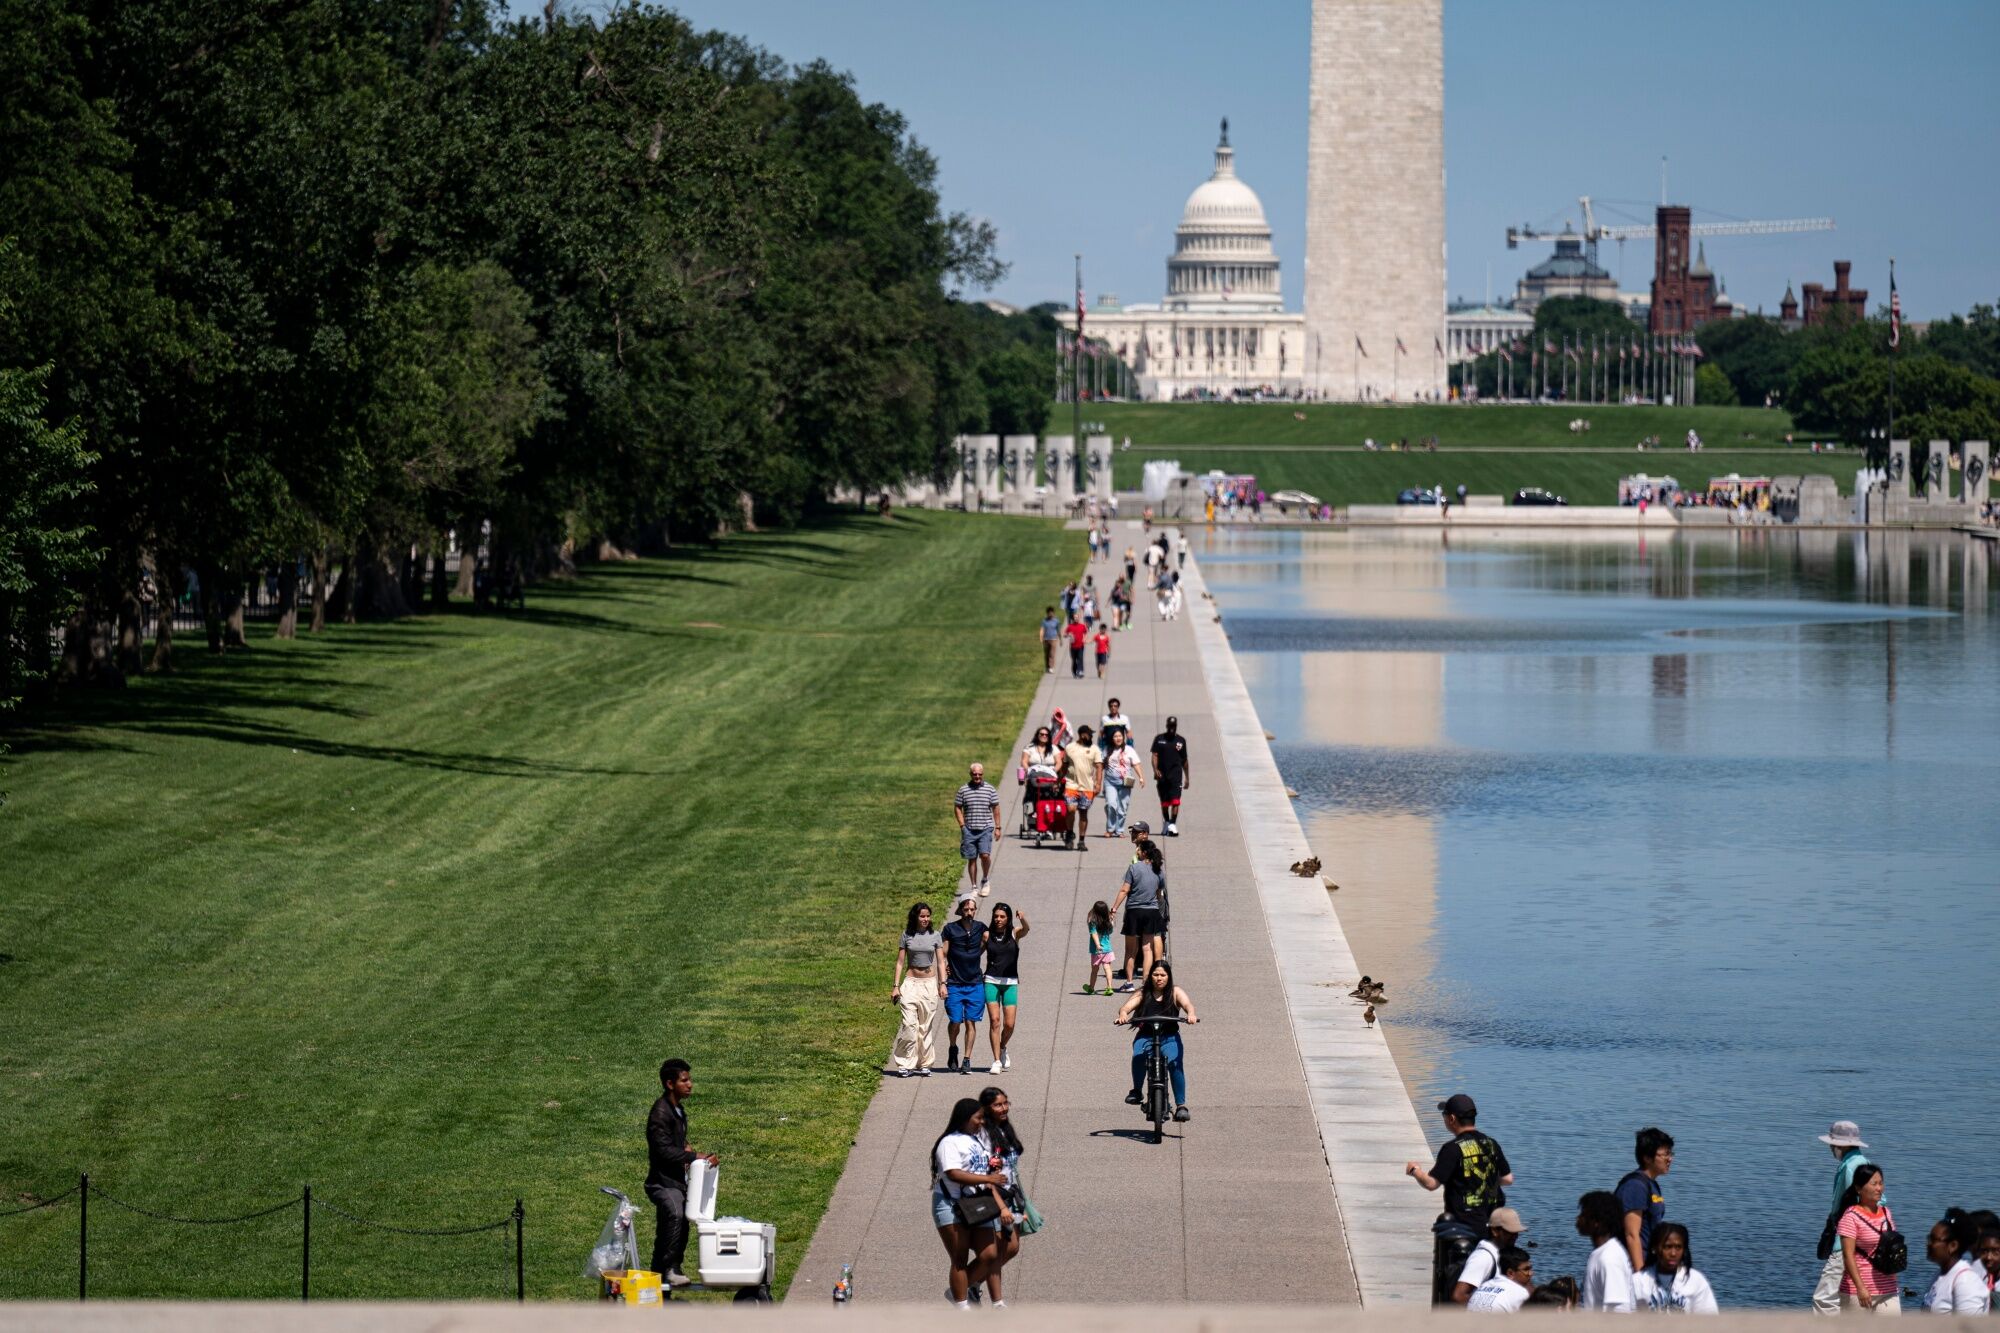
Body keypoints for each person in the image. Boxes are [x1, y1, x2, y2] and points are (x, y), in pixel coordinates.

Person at [932, 1097, 1011, 1308]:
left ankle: (958, 1290)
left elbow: (977, 1167)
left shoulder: (976, 1140)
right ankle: (962, 1306)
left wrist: (992, 1167)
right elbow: (954, 1173)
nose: (982, 1122)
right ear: (966, 1118)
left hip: (977, 1203)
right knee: (959, 1257)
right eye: (978, 1118)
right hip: (951, 1204)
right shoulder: (950, 1142)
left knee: (990, 1254)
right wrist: (988, 1179)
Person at [645, 1058, 718, 1287]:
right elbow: (663, 1150)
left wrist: (685, 1145)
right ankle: (669, 1270)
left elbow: (674, 1142)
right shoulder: (660, 1112)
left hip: (676, 1181)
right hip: (661, 1183)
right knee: (675, 1213)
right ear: (669, 1084)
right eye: (684, 1080)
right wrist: (694, 1156)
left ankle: (662, 1273)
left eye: (689, 1080)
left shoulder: (677, 1110)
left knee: (681, 1220)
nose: (690, 1084)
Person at [1404, 1093, 1514, 1230]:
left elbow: (1431, 1183)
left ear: (1452, 1119)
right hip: (1492, 1224)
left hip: (1463, 1226)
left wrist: (1415, 1171)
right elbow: (1508, 1179)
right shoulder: (1491, 1144)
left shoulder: (1452, 1149)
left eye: (1444, 1115)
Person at [1114, 958, 1198, 1121]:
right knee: (1138, 1057)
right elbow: (1126, 1007)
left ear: (1169, 977)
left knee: (1175, 1064)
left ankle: (1181, 1106)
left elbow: (1188, 1005)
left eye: (1163, 975)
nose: (1159, 978)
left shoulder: (1175, 992)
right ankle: (1137, 1091)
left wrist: (1191, 1014)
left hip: (1169, 1037)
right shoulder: (1142, 993)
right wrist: (1123, 1014)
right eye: (1156, 974)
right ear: (1150, 976)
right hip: (1146, 1037)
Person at [1812, 1120, 1873, 1313]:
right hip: (1856, 1239)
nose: (1831, 1147)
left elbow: (1870, 1202)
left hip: (1846, 1239)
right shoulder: (1859, 1163)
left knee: (1824, 1298)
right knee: (1845, 1294)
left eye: (1833, 1143)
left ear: (1842, 1145)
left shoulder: (1851, 1167)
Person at [978, 1087, 1027, 1307]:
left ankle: (970, 1282)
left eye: (1006, 1103)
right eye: (998, 1105)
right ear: (987, 1108)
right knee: (996, 1251)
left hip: (1012, 1195)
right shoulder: (984, 1135)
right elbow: (988, 1176)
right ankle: (997, 1303)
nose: (1004, 1108)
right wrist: (1002, 1207)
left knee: (1012, 1248)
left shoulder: (1005, 1128)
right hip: (995, 1197)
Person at [1837, 1164, 1901, 1313]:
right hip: (1858, 1291)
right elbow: (1848, 1256)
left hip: (1888, 1288)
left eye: (1881, 1183)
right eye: (1874, 1184)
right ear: (1859, 1188)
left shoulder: (1886, 1213)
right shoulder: (1851, 1217)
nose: (1879, 1188)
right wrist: (1861, 1288)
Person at [891, 902, 945, 1076]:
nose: (925, 919)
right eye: (922, 916)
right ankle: (905, 1063)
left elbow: (941, 961)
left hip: (929, 984)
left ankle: (924, 1063)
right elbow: (900, 962)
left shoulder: (935, 935)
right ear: (915, 916)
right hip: (911, 983)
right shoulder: (907, 935)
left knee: (925, 1026)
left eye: (928, 916)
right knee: (909, 1025)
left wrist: (942, 984)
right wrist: (896, 986)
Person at [1110, 838, 1167, 992]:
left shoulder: (1134, 868)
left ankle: (1129, 983)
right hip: (1151, 912)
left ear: (1144, 852)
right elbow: (1159, 893)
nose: (1137, 852)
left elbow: (1124, 890)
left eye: (1139, 850)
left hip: (1134, 912)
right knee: (1147, 949)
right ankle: (1145, 982)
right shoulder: (1159, 871)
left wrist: (1114, 908)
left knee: (1130, 950)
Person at [941, 896, 988, 1075]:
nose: (969, 913)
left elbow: (990, 942)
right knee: (955, 1021)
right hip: (954, 984)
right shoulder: (950, 929)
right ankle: (953, 1048)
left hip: (975, 983)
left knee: (971, 1022)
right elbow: (943, 952)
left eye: (972, 910)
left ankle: (967, 1059)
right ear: (960, 910)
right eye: (966, 910)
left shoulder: (980, 928)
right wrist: (944, 968)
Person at [981, 903, 1029, 1074]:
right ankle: (996, 1061)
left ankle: (1002, 1047)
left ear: (1008, 918)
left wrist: (1022, 918)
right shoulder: (987, 935)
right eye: (996, 916)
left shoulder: (1014, 933)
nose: (998, 919)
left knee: (1009, 1024)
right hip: (991, 981)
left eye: (1002, 916)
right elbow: (975, 955)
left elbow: (1026, 929)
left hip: (1010, 982)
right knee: (995, 1021)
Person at [1618, 1127, 1674, 1271]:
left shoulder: (1651, 1184)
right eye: (1665, 1154)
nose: (1670, 1159)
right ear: (1647, 1158)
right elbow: (1631, 1234)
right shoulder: (1635, 1186)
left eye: (1671, 1153)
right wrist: (1640, 1275)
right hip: (1630, 1268)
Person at [1633, 1223, 1718, 1314]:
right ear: (1654, 1248)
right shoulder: (1638, 1280)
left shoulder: (1695, 1280)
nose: (1673, 1253)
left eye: (1678, 1247)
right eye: (1667, 1247)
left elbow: (1710, 1319)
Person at [1453, 1206, 1529, 1304]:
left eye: (1517, 1233)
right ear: (1495, 1231)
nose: (1515, 1237)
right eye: (1510, 1232)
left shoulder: (1507, 1253)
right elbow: (1459, 1296)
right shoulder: (1483, 1257)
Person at [1577, 1190, 1637, 1312]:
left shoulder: (1609, 1258)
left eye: (1583, 1215)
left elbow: (1619, 1311)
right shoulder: (1602, 1253)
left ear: (1596, 1223)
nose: (1578, 1219)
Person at [1920, 1212, 1989, 1314]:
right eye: (1929, 1238)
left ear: (1953, 1246)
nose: (1928, 1244)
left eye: (1934, 1240)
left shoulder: (1965, 1282)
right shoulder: (1940, 1274)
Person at [955, 762, 1001, 898]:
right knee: (972, 859)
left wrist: (998, 827)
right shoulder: (963, 790)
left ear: (983, 774)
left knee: (985, 855)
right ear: (970, 774)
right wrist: (962, 825)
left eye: (979, 774)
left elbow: (996, 808)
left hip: (985, 828)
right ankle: (974, 886)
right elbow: (957, 807)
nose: (977, 777)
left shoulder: (990, 789)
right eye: (974, 774)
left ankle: (985, 879)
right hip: (969, 829)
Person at [1060, 724, 1102, 848]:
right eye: (1089, 734)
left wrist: (1098, 784)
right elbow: (1065, 765)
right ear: (1083, 735)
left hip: (1087, 786)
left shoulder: (1094, 749)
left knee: (1083, 813)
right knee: (1071, 809)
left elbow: (1099, 766)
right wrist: (1059, 780)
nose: (1091, 736)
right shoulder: (1070, 747)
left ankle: (1081, 840)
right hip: (1071, 784)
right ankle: (1069, 833)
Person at [1101, 725, 1145, 837]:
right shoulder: (1106, 749)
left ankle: (1119, 830)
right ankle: (1110, 829)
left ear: (1123, 737)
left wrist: (1141, 777)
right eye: (1115, 736)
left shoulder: (1129, 750)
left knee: (1122, 808)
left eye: (1120, 735)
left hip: (1125, 782)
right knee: (1111, 805)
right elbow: (1100, 765)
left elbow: (1136, 764)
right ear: (1112, 738)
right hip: (1110, 782)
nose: (1118, 738)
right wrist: (1095, 779)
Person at [1149, 716, 1190, 835]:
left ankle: (1173, 824)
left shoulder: (1181, 741)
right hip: (1162, 775)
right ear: (1167, 726)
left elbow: (1185, 760)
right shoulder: (1159, 739)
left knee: (1176, 801)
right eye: (1170, 726)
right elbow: (1155, 755)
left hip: (1176, 775)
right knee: (1165, 802)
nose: (1172, 728)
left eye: (1174, 726)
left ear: (1176, 726)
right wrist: (1155, 769)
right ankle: (1166, 822)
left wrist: (1187, 777)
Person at [1467, 1246, 1535, 1313]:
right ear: (1510, 1273)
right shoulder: (1521, 1293)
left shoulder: (1483, 1286)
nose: (1531, 1273)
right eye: (1526, 1269)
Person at [1084, 900, 1116, 994]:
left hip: (1096, 950)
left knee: (1094, 970)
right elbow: (1110, 932)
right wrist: (1111, 920)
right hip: (1107, 949)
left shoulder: (1093, 921)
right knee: (1107, 968)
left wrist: (1098, 945)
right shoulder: (1107, 921)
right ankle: (1109, 987)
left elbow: (1093, 933)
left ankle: (1091, 988)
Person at [1039, 606, 1060, 674]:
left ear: (1053, 613)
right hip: (1046, 639)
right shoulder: (1044, 621)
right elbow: (1042, 630)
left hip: (1053, 639)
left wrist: (1060, 639)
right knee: (1047, 654)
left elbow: (1058, 630)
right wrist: (1041, 638)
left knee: (1052, 654)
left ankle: (1051, 667)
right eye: (1049, 613)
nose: (1051, 614)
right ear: (1047, 613)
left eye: (1052, 613)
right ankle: (1047, 667)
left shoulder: (1056, 621)